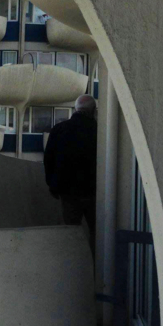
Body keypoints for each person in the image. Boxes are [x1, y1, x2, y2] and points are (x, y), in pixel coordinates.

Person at [43, 94, 97, 249]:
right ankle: (96, 265)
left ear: (76, 109)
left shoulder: (59, 129)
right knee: (97, 231)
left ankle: (76, 266)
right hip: (93, 191)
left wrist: (53, 185)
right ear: (93, 110)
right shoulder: (98, 131)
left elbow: (49, 160)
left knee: (72, 231)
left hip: (67, 192)